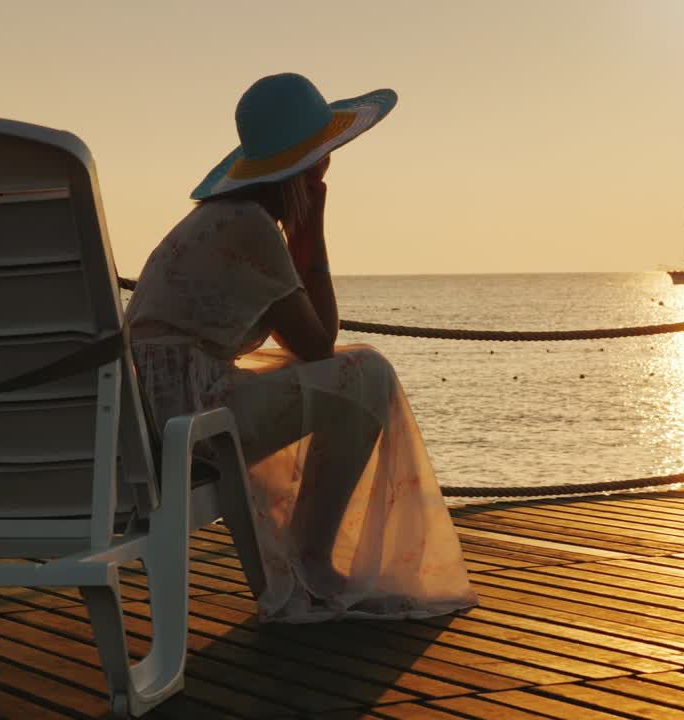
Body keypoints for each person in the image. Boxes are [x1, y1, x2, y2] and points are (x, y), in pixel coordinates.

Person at [124, 72, 476, 623]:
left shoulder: (223, 221)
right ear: (307, 166)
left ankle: (309, 558)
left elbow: (302, 336)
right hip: (184, 421)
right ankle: (313, 561)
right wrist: (314, 228)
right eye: (323, 158)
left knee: (355, 371)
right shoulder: (250, 227)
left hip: (151, 410)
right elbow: (318, 341)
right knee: (367, 377)